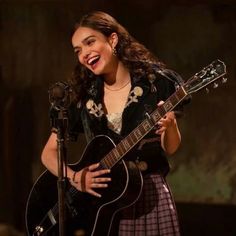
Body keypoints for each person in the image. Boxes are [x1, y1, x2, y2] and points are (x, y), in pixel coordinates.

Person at [41, 11, 184, 236]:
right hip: (103, 207)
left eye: (90, 42)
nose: (85, 54)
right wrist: (76, 177)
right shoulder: (83, 97)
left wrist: (171, 126)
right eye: (78, 50)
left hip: (149, 196)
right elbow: (48, 153)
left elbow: (171, 148)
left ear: (113, 39)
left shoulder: (155, 84)